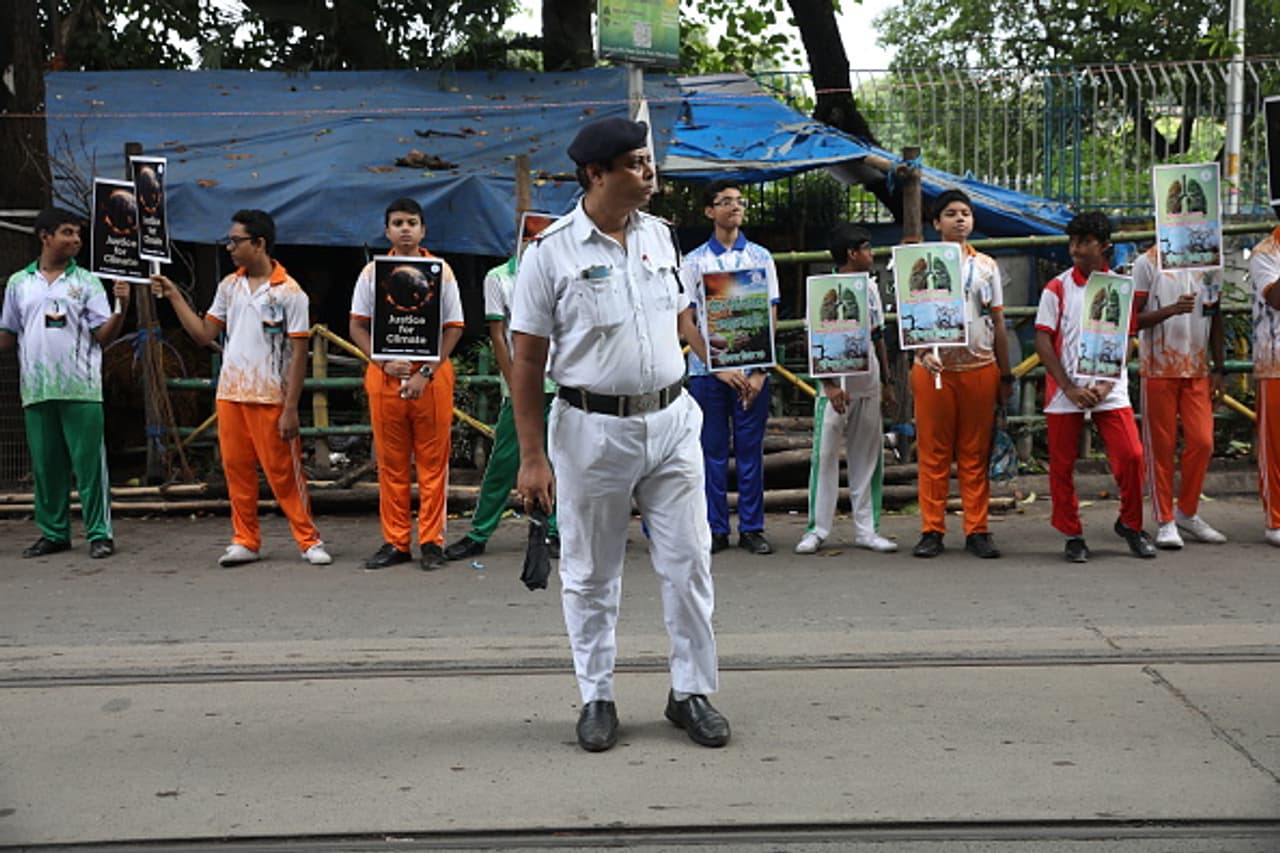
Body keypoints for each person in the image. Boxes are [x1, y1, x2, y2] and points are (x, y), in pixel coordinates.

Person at [510, 116, 729, 753]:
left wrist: (716, 351)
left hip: (672, 421)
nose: (648, 171)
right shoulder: (550, 253)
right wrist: (532, 457)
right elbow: (527, 359)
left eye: (647, 159)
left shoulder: (661, 236)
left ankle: (690, 691)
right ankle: (597, 696)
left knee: (690, 561)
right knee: (590, 571)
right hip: (591, 431)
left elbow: (681, 312)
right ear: (596, 174)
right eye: (634, 163)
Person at [152, 209, 331, 567]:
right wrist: (174, 296)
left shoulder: (290, 292)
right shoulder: (229, 287)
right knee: (237, 471)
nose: (230, 247)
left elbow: (299, 353)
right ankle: (245, 539)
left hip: (271, 396)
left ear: (259, 243)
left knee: (285, 473)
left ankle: (308, 539)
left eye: (236, 241)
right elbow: (204, 333)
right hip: (231, 393)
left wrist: (291, 407)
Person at [0, 207, 130, 559]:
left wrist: (121, 306)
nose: (76, 240)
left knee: (90, 467)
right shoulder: (19, 283)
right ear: (45, 237)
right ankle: (54, 533)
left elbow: (103, 335)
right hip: (36, 390)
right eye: (68, 232)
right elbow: (7, 336)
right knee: (46, 467)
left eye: (78, 234)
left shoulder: (87, 282)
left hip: (81, 387)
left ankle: (99, 533)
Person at [348, 198, 465, 571]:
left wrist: (424, 372)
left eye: (411, 222)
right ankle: (396, 541)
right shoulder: (372, 274)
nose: (405, 229)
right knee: (391, 465)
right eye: (397, 223)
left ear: (423, 230)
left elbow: (454, 328)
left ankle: (432, 541)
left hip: (431, 377)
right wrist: (382, 361)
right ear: (387, 231)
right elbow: (357, 325)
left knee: (433, 464)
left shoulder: (441, 272)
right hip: (385, 376)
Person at [1034, 211, 1154, 562]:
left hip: (1109, 388)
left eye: (1085, 242)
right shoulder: (1056, 288)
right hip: (1065, 390)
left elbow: (1127, 340)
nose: (1076, 249)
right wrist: (1069, 387)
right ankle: (1071, 533)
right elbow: (1043, 341)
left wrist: (1104, 385)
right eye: (1073, 241)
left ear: (1104, 247)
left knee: (1131, 455)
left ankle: (1131, 524)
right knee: (1061, 464)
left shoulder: (1121, 288)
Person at [680, 178, 780, 555]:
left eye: (739, 201)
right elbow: (686, 321)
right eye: (725, 201)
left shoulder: (760, 258)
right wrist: (716, 366)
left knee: (751, 450)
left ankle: (752, 527)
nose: (735, 207)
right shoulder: (693, 262)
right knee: (712, 451)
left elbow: (770, 315)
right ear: (710, 211)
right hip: (707, 374)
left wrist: (760, 371)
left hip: (753, 371)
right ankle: (715, 527)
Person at [911, 189, 1013, 558]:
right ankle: (931, 530)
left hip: (979, 367)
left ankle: (977, 529)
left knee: (975, 452)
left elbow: (997, 321)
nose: (960, 219)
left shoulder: (986, 266)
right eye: (951, 214)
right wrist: (922, 352)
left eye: (965, 213)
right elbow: (908, 318)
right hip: (933, 370)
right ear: (936, 223)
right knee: (933, 453)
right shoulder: (918, 263)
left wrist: (1006, 374)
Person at [444, 256, 558, 562]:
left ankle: (556, 530)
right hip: (525, 384)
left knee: (562, 460)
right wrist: (515, 383)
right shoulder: (499, 277)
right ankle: (480, 531)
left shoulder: (562, 267)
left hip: (563, 382)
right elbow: (498, 333)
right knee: (504, 461)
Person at [796, 223, 897, 555]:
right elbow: (813, 339)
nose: (872, 254)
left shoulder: (870, 289)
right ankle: (817, 529)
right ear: (852, 253)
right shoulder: (821, 289)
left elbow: (878, 336)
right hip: (833, 387)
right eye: (867, 248)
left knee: (866, 456)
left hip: (867, 381)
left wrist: (887, 382)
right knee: (825, 456)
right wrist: (827, 385)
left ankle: (867, 529)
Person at [1132, 247, 1227, 548]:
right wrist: (1170, 310)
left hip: (1196, 368)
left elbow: (1215, 314)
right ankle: (1164, 519)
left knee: (1203, 442)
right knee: (1161, 447)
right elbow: (1132, 319)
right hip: (1158, 367)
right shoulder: (1147, 262)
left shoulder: (1209, 260)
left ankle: (1186, 511)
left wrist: (1220, 367)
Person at [1248, 224, 1280, 546]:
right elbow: (1276, 299)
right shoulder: (1265, 253)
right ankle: (1275, 521)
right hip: (1275, 363)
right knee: (1275, 447)